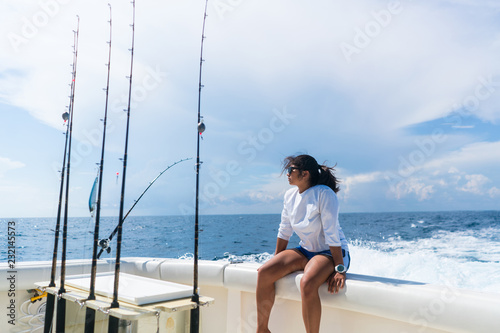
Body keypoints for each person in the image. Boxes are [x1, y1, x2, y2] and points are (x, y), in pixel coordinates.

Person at [256, 154, 350, 333]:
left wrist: (340, 268)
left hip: (330, 253)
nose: (287, 174)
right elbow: (284, 230)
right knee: (265, 272)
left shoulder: (324, 193)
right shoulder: (290, 195)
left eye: (291, 170)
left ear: (305, 174)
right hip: (306, 250)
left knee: (307, 283)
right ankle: (262, 329)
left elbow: (331, 234)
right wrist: (277, 260)